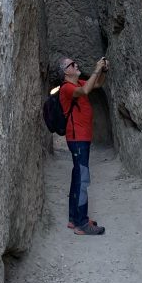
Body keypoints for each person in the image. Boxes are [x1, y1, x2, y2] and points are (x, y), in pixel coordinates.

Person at [58, 55, 108, 236]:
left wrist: (103, 71)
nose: (76, 64)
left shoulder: (77, 82)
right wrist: (96, 68)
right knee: (83, 179)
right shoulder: (67, 88)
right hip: (77, 138)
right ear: (65, 71)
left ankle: (74, 218)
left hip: (81, 137)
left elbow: (97, 84)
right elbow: (86, 90)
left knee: (78, 177)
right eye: (72, 64)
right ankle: (81, 224)